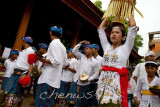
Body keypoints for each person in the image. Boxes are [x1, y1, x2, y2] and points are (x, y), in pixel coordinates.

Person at [96, 15, 138, 107]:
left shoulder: (126, 48)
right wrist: (108, 15)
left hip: (116, 85)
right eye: (112, 32)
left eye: (117, 33)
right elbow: (100, 30)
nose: (113, 34)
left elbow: (132, 27)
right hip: (102, 85)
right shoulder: (106, 46)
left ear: (123, 37)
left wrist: (129, 11)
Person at [35, 26, 68, 107]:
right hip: (54, 79)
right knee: (49, 103)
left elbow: (57, 61)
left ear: (50, 32)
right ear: (60, 35)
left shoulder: (54, 43)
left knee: (41, 103)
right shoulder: (63, 47)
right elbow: (65, 63)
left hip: (47, 78)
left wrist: (43, 60)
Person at [4, 36, 35, 107]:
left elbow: (31, 64)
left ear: (25, 42)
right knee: (9, 92)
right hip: (15, 73)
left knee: (17, 93)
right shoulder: (23, 51)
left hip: (21, 74)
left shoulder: (31, 51)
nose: (23, 43)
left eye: (23, 41)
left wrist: (28, 76)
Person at [67, 41, 99, 107]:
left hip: (86, 84)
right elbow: (74, 51)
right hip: (77, 81)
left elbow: (96, 73)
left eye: (87, 48)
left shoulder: (95, 62)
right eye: (84, 49)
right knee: (73, 100)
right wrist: (81, 43)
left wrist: (88, 79)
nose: (85, 50)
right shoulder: (82, 57)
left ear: (91, 50)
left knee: (82, 101)